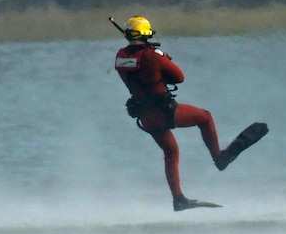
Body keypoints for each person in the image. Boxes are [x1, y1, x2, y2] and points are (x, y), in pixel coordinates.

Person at [112, 16, 267, 211]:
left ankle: (179, 199)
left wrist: (156, 59)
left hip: (145, 116)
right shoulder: (153, 55)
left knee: (171, 152)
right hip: (164, 111)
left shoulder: (120, 57)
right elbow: (179, 77)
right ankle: (220, 158)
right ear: (146, 33)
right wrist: (163, 58)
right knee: (205, 117)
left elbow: (141, 72)